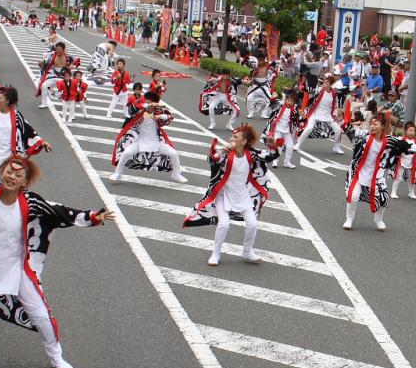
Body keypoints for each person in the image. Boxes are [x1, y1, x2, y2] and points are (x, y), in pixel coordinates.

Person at [0, 125, 115, 368]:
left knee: (41, 316)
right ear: (2, 172)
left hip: (18, 270)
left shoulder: (30, 202)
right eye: (8, 171)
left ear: (24, 182)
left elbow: (62, 212)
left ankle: (57, 357)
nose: (11, 177)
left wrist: (93, 217)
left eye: (17, 175)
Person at [183, 125, 280, 266]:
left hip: (242, 194)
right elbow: (212, 161)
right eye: (232, 136)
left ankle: (247, 251)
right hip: (223, 194)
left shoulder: (251, 154)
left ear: (244, 141)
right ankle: (215, 253)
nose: (231, 139)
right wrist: (221, 152)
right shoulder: (226, 153)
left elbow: (270, 156)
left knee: (252, 224)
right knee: (224, 224)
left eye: (236, 137)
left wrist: (272, 146)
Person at [342, 112, 416, 230]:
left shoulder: (390, 141)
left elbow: (406, 146)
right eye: (371, 124)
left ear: (383, 126)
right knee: (353, 196)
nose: (372, 127)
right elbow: (352, 133)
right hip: (359, 172)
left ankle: (378, 219)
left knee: (383, 198)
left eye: (375, 124)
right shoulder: (364, 136)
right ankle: (349, 219)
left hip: (377, 175)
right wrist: (345, 124)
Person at [111, 88, 187, 183]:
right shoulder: (140, 113)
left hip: (156, 142)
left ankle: (176, 173)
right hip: (140, 141)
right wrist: (146, 107)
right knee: (126, 153)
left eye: (150, 103)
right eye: (146, 102)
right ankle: (117, 173)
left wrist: (162, 116)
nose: (148, 105)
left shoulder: (158, 112)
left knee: (173, 153)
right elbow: (136, 112)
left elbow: (169, 117)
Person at [294, 76, 344, 154]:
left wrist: (338, 114)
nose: (325, 83)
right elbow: (309, 97)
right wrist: (303, 109)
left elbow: (335, 105)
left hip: (327, 114)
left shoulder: (334, 93)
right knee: (309, 128)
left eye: (327, 82)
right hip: (315, 113)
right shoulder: (319, 90)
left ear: (331, 84)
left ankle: (336, 147)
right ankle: (298, 144)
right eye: (325, 81)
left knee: (338, 130)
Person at [391, 121, 416, 200]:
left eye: (413, 131)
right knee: (398, 177)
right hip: (402, 161)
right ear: (405, 131)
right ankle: (393, 192)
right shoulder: (401, 139)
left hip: (412, 163)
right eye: (410, 130)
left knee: (412, 178)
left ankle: (411, 192)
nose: (411, 132)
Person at [262, 93, 299, 169]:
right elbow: (272, 104)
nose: (289, 102)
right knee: (278, 146)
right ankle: (275, 161)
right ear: (285, 100)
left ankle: (287, 162)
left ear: (294, 103)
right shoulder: (280, 107)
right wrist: (274, 97)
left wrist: (299, 116)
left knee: (290, 146)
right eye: (288, 100)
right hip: (278, 130)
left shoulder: (295, 110)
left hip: (287, 131)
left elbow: (297, 120)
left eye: (291, 101)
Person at [37, 42, 73, 108]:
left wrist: (71, 66)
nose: (58, 51)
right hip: (54, 75)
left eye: (59, 49)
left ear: (63, 49)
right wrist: (41, 63)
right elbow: (46, 62)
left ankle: (68, 104)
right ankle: (44, 103)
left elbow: (73, 64)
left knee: (68, 89)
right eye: (57, 49)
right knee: (44, 86)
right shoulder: (53, 56)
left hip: (64, 77)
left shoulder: (68, 57)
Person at [245, 54, 277, 118]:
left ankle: (264, 113)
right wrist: (248, 80)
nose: (261, 62)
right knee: (249, 98)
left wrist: (275, 71)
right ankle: (251, 113)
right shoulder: (254, 67)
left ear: (264, 60)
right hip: (255, 86)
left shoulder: (268, 67)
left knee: (269, 99)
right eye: (259, 60)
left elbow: (275, 74)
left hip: (264, 86)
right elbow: (250, 77)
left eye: (262, 60)